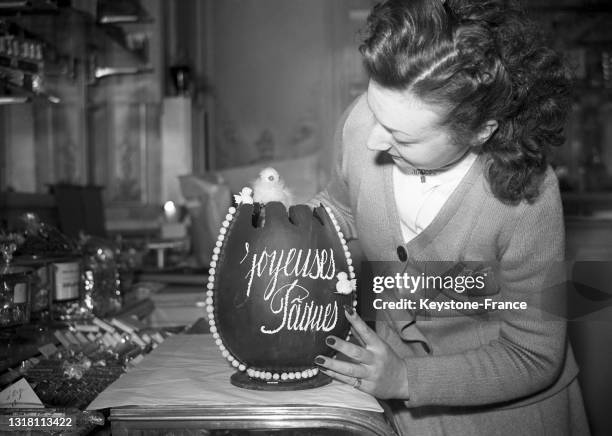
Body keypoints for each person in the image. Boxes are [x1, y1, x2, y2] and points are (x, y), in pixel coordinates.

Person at [311, 0, 590, 434]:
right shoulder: (365, 124)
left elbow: (534, 356)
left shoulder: (528, 196)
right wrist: (293, 222)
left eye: (402, 136)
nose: (373, 141)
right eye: (374, 110)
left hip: (509, 420)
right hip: (401, 417)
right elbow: (343, 208)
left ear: (481, 131)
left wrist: (406, 378)